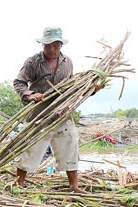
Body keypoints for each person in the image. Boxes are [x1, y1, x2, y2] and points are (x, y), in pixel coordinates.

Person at [13, 26, 85, 193]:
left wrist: (89, 89)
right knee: (29, 148)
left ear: (61, 45)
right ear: (42, 45)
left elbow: (72, 85)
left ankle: (74, 186)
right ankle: (19, 185)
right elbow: (18, 82)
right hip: (39, 114)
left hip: (62, 114)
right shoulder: (33, 62)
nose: (52, 49)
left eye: (56, 45)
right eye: (48, 45)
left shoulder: (68, 63)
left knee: (70, 145)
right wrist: (30, 95)